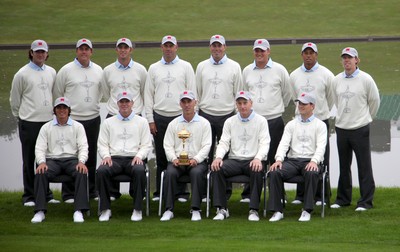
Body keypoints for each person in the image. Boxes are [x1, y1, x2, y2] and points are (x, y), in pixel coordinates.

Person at [144, 35, 196, 201]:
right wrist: (150, 120)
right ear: (161, 47)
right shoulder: (153, 68)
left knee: (182, 154)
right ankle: (160, 192)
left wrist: (193, 118)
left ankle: (181, 192)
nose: (168, 48)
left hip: (181, 117)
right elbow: (148, 95)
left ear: (176, 47)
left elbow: (193, 93)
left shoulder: (186, 67)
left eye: (171, 46)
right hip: (160, 117)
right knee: (161, 156)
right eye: (165, 46)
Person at [10, 39, 58, 206]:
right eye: (37, 51)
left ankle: (46, 193)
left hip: (47, 123)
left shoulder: (51, 72)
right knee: (29, 159)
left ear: (47, 53)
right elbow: (14, 100)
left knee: (45, 159)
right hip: (29, 122)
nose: (40, 54)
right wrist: (22, 117)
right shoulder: (22, 74)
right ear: (31, 53)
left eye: (43, 51)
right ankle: (29, 195)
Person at [53, 38, 103, 201]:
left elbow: (104, 93)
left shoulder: (98, 70)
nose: (84, 52)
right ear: (76, 51)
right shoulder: (66, 70)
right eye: (81, 49)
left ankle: (91, 191)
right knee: (71, 155)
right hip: (72, 120)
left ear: (91, 52)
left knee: (91, 155)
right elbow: (58, 94)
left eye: (86, 49)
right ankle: (69, 193)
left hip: (93, 118)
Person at [331, 47, 380, 211]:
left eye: (350, 58)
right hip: (342, 128)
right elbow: (336, 101)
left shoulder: (366, 79)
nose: (347, 61)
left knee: (364, 165)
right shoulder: (336, 80)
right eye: (344, 58)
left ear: (357, 60)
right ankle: (343, 199)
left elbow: (374, 101)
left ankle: (366, 201)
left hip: (360, 128)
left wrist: (366, 118)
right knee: (344, 166)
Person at [242, 38, 291, 202]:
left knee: (276, 157)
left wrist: (275, 108)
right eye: (257, 50)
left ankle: (278, 194)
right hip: (253, 122)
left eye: (262, 50)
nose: (259, 53)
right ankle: (249, 193)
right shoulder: (247, 70)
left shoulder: (279, 70)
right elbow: (244, 93)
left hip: (274, 120)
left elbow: (287, 93)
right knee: (253, 156)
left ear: (268, 51)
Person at [211, 91, 270, 221]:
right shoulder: (230, 121)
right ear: (236, 105)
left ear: (251, 103)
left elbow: (265, 143)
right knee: (217, 168)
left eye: (245, 103)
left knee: (257, 169)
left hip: (253, 160)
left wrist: (258, 158)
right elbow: (224, 142)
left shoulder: (261, 121)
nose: (242, 106)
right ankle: (222, 209)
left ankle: (253, 210)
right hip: (235, 160)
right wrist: (218, 157)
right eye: (239, 103)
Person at [267, 92, 327, 222]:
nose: (301, 106)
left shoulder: (320, 125)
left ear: (312, 106)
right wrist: (278, 159)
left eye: (304, 104)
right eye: (299, 103)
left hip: (311, 161)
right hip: (293, 161)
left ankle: (306, 210)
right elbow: (283, 144)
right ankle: (277, 211)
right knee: (274, 172)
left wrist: (314, 161)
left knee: (312, 172)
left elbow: (321, 147)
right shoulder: (291, 124)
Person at [101, 37, 147, 199]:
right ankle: (112, 192)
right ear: (116, 50)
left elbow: (143, 92)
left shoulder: (141, 70)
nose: (123, 50)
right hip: (114, 114)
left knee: (139, 152)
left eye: (125, 47)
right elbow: (107, 93)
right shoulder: (107, 70)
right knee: (112, 153)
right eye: (120, 47)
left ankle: (137, 192)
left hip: (136, 115)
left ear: (130, 50)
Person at [31, 97, 90, 223]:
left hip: (72, 160)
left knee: (81, 171)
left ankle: (79, 211)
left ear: (69, 110)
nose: (62, 110)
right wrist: (41, 162)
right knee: (41, 172)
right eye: (59, 108)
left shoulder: (78, 126)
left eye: (64, 108)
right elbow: (39, 148)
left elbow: (83, 146)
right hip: (53, 161)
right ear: (54, 110)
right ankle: (40, 211)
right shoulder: (46, 127)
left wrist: (81, 161)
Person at [289, 42, 334, 205]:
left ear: (316, 54)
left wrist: (319, 111)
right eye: (305, 53)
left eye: (311, 53)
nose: (308, 55)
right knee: (299, 156)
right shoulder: (294, 75)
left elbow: (330, 98)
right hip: (300, 121)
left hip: (320, 120)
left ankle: (321, 196)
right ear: (302, 55)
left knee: (321, 158)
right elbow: (294, 95)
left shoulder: (327, 74)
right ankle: (301, 196)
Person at [96, 92, 152, 222]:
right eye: (122, 102)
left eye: (127, 102)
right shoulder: (108, 122)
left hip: (134, 158)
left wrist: (139, 156)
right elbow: (102, 143)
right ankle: (105, 209)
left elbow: (146, 144)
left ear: (133, 103)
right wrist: (105, 156)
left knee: (139, 170)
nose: (124, 104)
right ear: (117, 104)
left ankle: (137, 209)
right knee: (102, 171)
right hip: (114, 159)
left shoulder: (142, 122)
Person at [160, 90, 212, 221]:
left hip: (197, 161)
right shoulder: (174, 124)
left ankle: (195, 209)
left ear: (195, 102)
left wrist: (196, 159)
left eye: (189, 101)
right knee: (170, 173)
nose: (187, 104)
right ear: (180, 104)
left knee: (196, 173)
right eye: (184, 102)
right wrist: (173, 159)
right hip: (178, 160)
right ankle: (169, 209)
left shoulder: (204, 123)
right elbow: (168, 145)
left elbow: (207, 145)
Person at [196, 34, 243, 167]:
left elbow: (238, 93)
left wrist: (236, 114)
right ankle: (205, 185)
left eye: (219, 46)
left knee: (226, 154)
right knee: (205, 152)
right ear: (210, 47)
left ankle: (225, 188)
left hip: (227, 115)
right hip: (206, 115)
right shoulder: (201, 66)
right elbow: (197, 92)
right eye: (214, 45)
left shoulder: (234, 66)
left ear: (225, 47)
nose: (217, 48)